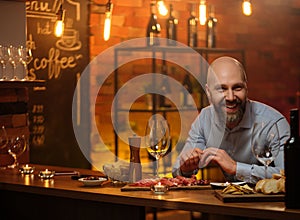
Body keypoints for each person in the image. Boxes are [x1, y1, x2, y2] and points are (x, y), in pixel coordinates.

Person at [172, 56, 290, 184]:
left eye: (237, 88)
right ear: (208, 92)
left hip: (269, 202)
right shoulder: (204, 119)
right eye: (222, 89)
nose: (230, 97)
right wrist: (185, 168)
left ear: (246, 88)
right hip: (226, 200)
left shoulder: (273, 123)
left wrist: (236, 168)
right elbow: (178, 170)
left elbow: (291, 174)